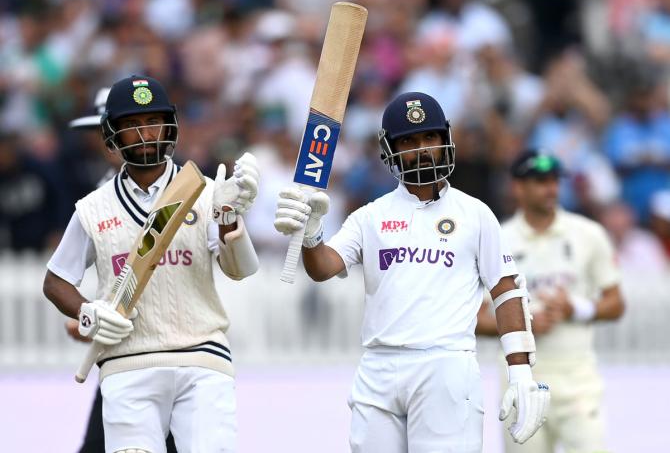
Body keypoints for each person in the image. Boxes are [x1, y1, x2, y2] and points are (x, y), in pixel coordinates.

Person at [274, 92, 550, 452]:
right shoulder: (370, 216)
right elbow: (324, 267)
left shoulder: (475, 213)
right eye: (408, 141)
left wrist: (521, 372)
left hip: (446, 364)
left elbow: (507, 290)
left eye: (430, 138)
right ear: (390, 149)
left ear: (445, 140)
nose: (421, 149)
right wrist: (311, 233)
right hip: (379, 367)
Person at [43, 75, 260, 453]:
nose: (145, 134)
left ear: (169, 125)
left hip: (202, 355)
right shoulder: (93, 207)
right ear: (113, 135)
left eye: (151, 122)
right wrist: (89, 314)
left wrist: (227, 216)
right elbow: (55, 280)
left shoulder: (206, 191)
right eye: (131, 125)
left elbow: (240, 270)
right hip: (127, 363)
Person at [476, 149, 625, 453]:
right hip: (522, 379)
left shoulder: (588, 234)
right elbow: (475, 318)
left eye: (555, 180)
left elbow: (616, 303)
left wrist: (577, 308)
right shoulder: (498, 239)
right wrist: (521, 326)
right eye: (540, 181)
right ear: (518, 187)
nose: (552, 188)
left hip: (578, 379)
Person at [64, 86, 178, 453]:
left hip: (175, 347)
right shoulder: (102, 194)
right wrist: (93, 313)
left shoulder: (177, 187)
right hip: (125, 351)